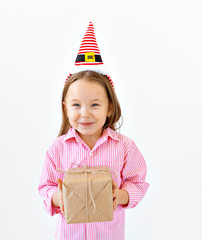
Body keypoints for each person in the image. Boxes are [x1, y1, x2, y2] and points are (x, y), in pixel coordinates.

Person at [38, 22, 149, 240]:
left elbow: (138, 182)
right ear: (65, 108)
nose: (85, 113)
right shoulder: (57, 148)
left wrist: (122, 195)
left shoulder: (124, 146)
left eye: (95, 105)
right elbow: (45, 186)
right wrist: (57, 197)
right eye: (76, 105)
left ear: (109, 108)